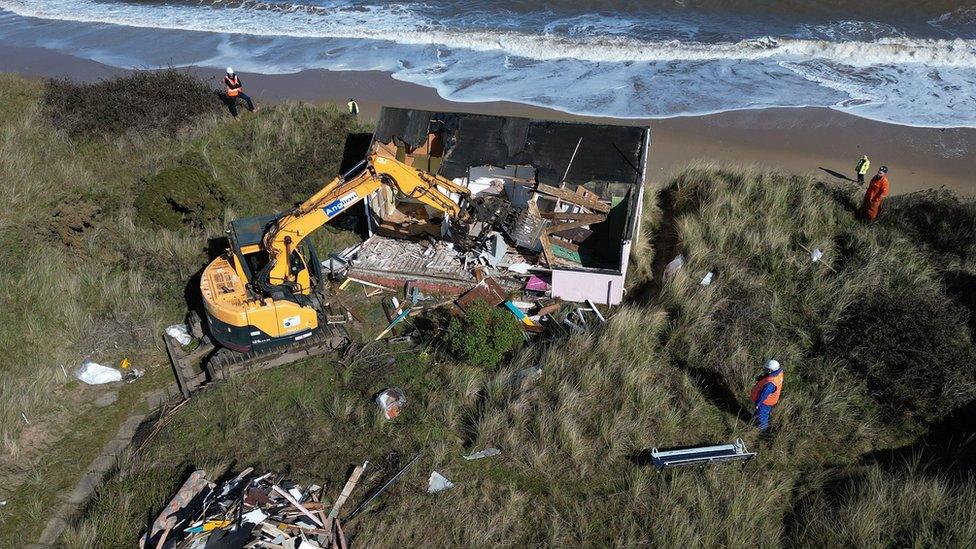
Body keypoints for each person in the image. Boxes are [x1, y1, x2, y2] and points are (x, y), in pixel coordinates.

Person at [751, 359, 784, 432]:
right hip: (770, 400)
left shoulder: (770, 384)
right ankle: (755, 420)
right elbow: (769, 376)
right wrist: (761, 378)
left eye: (765, 369)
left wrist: (758, 403)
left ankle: (762, 429)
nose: (764, 370)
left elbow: (763, 395)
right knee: (759, 413)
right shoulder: (778, 372)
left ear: (770, 370)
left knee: (762, 415)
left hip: (765, 402)